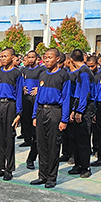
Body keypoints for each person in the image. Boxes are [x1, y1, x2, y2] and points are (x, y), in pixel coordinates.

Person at [30, 48, 71, 188]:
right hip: (41, 110)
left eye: (50, 57)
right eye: (45, 57)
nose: (46, 60)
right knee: (41, 145)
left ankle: (51, 177)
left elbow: (66, 98)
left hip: (55, 111)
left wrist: (64, 119)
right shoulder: (42, 74)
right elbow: (38, 96)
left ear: (57, 59)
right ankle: (42, 175)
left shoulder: (63, 75)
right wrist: (34, 115)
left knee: (53, 145)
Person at [0, 48, 23, 181]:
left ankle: (9, 169)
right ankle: (0, 167)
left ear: (12, 58)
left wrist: (19, 113)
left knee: (9, 138)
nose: (2, 58)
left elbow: (19, 94)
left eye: (5, 56)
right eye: (1, 56)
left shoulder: (16, 73)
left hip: (10, 105)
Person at [67, 49, 95, 178]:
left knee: (83, 138)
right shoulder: (81, 71)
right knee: (76, 138)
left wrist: (80, 110)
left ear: (71, 60)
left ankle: (85, 167)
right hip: (78, 105)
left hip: (85, 107)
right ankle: (78, 165)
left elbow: (85, 93)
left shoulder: (84, 72)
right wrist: (74, 110)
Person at [20, 50, 45, 170]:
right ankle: (27, 139)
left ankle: (33, 157)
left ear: (37, 59)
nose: (30, 59)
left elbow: (43, 84)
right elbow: (22, 81)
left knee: (37, 132)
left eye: (32, 57)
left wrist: (38, 89)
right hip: (27, 99)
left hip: (37, 100)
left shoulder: (41, 70)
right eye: (28, 57)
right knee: (26, 122)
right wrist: (23, 87)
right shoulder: (24, 70)